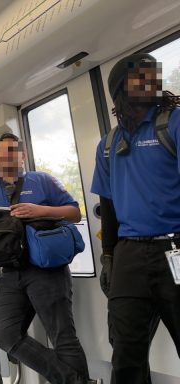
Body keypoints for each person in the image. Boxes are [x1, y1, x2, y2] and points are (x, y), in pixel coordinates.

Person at [0, 133, 91, 384]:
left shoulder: (43, 180)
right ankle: (76, 382)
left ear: (22, 155)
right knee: (6, 335)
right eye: (1, 153)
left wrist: (41, 210)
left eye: (12, 150)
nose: (6, 156)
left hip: (46, 270)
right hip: (9, 273)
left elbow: (74, 212)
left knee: (62, 336)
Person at [92, 53, 180, 383]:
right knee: (125, 352)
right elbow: (109, 208)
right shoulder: (107, 145)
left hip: (176, 246)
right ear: (119, 90)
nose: (150, 79)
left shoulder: (174, 123)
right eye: (139, 75)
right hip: (128, 254)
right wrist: (108, 257)